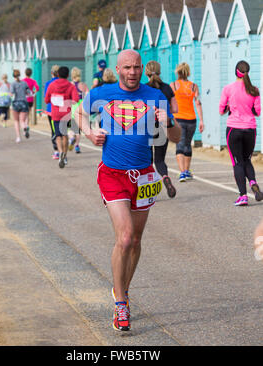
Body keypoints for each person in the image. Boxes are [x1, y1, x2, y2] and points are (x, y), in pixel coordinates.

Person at [75, 49, 181, 332]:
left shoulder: (155, 95)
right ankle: (121, 302)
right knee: (123, 238)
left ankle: (122, 289)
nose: (132, 72)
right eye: (127, 68)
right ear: (118, 69)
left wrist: (168, 121)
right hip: (112, 173)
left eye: (137, 67)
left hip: (145, 176)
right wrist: (89, 132)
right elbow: (79, 113)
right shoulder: (102, 92)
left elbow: (176, 137)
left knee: (135, 241)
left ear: (142, 68)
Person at [219, 60, 263, 206]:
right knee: (247, 160)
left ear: (236, 71)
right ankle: (253, 183)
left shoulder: (228, 89)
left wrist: (230, 107)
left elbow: (221, 110)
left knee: (237, 163)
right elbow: (257, 112)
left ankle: (243, 196)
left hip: (234, 129)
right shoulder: (254, 90)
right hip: (250, 129)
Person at [145, 60, 178, 198]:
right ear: (160, 71)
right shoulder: (167, 88)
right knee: (159, 160)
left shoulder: (143, 89)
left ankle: (150, 191)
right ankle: (165, 177)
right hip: (162, 127)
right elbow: (175, 108)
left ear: (145, 72)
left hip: (145, 128)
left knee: (147, 162)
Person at [170, 63, 204, 182]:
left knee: (180, 144)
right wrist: (201, 120)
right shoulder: (194, 86)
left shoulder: (173, 85)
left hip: (178, 119)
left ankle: (182, 172)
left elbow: (170, 103)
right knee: (188, 144)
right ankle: (187, 171)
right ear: (188, 73)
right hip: (191, 119)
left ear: (177, 72)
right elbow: (198, 103)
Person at [45, 66, 79, 169]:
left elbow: (46, 100)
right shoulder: (71, 86)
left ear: (58, 74)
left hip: (55, 114)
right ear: (68, 75)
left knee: (57, 135)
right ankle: (64, 154)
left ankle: (60, 153)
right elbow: (76, 100)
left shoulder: (51, 85)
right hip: (66, 114)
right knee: (65, 135)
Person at [68, 67, 89, 154]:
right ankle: (77, 145)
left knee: (71, 127)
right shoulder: (83, 85)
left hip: (73, 105)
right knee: (79, 128)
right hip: (80, 106)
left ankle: (71, 137)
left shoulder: (69, 84)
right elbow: (88, 95)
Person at [44, 65, 60, 159]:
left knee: (53, 130)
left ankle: (56, 151)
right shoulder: (63, 83)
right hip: (62, 109)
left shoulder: (48, 84)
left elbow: (47, 98)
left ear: (51, 73)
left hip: (51, 110)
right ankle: (62, 151)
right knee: (62, 130)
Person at [11, 69, 30, 143]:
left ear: (14, 76)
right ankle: (25, 127)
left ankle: (18, 137)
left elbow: (12, 93)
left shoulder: (13, 84)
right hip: (24, 102)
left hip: (16, 103)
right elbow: (28, 92)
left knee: (16, 121)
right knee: (22, 120)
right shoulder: (24, 83)